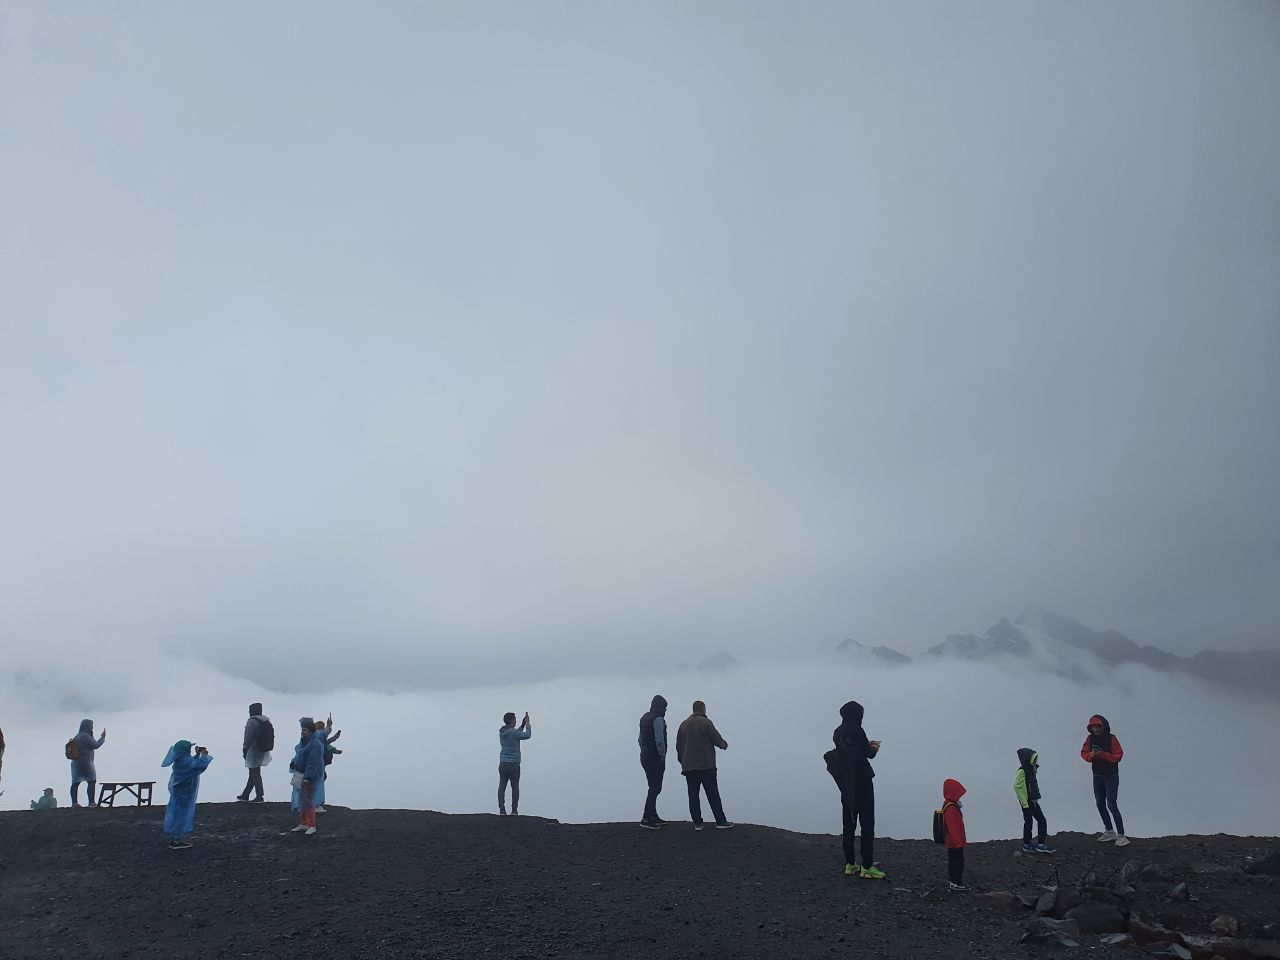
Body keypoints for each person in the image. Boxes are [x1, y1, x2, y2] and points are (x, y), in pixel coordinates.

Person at [832, 700, 884, 878]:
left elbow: (848, 752)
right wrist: (874, 747)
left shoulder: (837, 733)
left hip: (846, 783)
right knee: (867, 823)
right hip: (863, 781)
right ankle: (867, 867)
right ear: (858, 715)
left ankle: (850, 863)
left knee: (849, 822)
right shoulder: (857, 729)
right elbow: (868, 754)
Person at [675, 700, 733, 831]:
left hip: (689, 767)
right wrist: (724, 745)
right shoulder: (706, 723)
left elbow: (679, 745)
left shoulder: (683, 725)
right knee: (712, 793)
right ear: (703, 709)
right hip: (707, 765)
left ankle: (697, 823)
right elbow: (717, 739)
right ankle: (720, 821)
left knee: (693, 795)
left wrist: (682, 760)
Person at [1080, 714, 1128, 846]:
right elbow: (1084, 753)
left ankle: (1122, 835)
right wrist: (1091, 755)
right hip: (1097, 775)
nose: (1095, 729)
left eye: (1098, 726)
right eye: (1093, 727)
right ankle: (1109, 831)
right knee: (1100, 803)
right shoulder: (1090, 739)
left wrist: (1102, 754)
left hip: (1111, 775)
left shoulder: (1111, 738)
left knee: (1111, 804)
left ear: (1103, 726)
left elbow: (1118, 755)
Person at [162, 741, 213, 850]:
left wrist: (197, 755)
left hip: (179, 791)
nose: (190, 750)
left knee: (176, 814)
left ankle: (174, 837)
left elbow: (191, 764)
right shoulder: (185, 761)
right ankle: (177, 840)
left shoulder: (179, 760)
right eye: (189, 749)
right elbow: (200, 766)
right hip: (184, 792)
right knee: (182, 815)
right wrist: (204, 755)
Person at [1014, 748, 1055, 853]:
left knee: (1041, 820)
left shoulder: (1031, 770)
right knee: (1029, 822)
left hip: (1033, 801)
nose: (1035, 760)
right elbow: (1017, 786)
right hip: (1027, 802)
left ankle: (1040, 843)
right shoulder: (1022, 771)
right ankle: (1027, 845)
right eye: (1033, 758)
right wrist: (1024, 802)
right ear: (1027, 759)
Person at [289, 718, 325, 835]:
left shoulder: (315, 744)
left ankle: (312, 825)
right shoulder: (305, 741)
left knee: (308, 800)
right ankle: (303, 823)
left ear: (310, 731)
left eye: (304, 730)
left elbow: (313, 762)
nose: (302, 732)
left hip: (310, 777)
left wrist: (308, 777)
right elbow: (301, 756)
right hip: (302, 774)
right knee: (302, 799)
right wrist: (295, 763)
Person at [638, 694, 668, 829]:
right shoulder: (658, 719)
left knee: (652, 785)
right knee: (655, 787)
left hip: (644, 755)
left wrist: (644, 750)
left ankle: (653, 815)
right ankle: (646, 817)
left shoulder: (644, 718)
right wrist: (662, 755)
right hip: (654, 757)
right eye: (665, 707)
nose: (666, 710)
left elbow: (640, 739)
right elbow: (659, 740)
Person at [236, 702, 273, 803]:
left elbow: (248, 738)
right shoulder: (266, 720)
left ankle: (259, 796)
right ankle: (245, 794)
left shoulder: (252, 721)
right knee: (254, 771)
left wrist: (244, 749)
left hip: (254, 750)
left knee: (254, 772)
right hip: (263, 750)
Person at [498, 711, 531, 815]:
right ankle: (514, 810)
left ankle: (502, 810)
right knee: (515, 787)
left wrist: (522, 724)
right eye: (515, 719)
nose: (516, 721)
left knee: (502, 786)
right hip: (514, 764)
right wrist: (528, 724)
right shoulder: (513, 732)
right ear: (512, 721)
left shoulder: (502, 732)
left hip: (503, 763)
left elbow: (515, 733)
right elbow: (527, 735)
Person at [68, 719, 106, 807]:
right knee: (91, 780)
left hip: (75, 763)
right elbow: (96, 745)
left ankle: (74, 803)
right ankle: (91, 802)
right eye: (91, 726)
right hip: (86, 762)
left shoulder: (77, 736)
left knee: (75, 782)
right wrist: (102, 738)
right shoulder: (85, 736)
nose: (92, 728)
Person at [942, 778, 968, 891]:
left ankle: (953, 881)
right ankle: (956, 882)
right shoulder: (951, 808)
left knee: (953, 861)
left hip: (952, 842)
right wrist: (959, 843)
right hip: (955, 842)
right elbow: (953, 827)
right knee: (958, 862)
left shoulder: (948, 804)